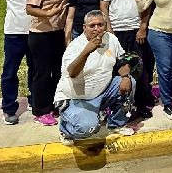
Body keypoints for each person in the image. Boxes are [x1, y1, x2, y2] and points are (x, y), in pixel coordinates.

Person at [26, 0, 106, 126]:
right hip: (41, 35)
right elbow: (29, 8)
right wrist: (49, 13)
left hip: (58, 33)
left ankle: (54, 105)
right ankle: (40, 110)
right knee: (42, 73)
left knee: (57, 70)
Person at [55, 10, 136, 144]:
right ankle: (65, 128)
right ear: (84, 28)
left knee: (130, 82)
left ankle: (116, 124)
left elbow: (122, 60)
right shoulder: (75, 46)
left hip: (102, 92)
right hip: (76, 98)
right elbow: (72, 73)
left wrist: (126, 76)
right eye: (92, 26)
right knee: (88, 128)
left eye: (100, 25)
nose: (97, 29)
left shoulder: (111, 39)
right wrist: (87, 50)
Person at [97, 0, 157, 119]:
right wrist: (109, 31)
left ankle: (142, 102)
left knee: (141, 68)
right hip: (117, 31)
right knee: (119, 69)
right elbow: (103, 6)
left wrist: (143, 27)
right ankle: (119, 104)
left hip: (137, 30)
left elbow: (147, 4)